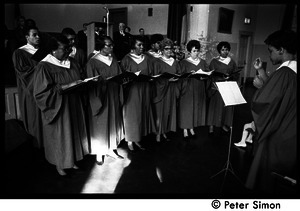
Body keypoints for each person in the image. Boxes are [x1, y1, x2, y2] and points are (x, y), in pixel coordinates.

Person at [245, 30, 297, 193]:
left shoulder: (284, 73)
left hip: (281, 132)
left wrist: (260, 89)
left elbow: (266, 102)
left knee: (270, 181)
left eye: (271, 51)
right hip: (292, 128)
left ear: (281, 50)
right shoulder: (291, 71)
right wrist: (261, 71)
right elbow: (282, 93)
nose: (270, 56)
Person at [33, 35, 89, 176]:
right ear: (53, 51)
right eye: (64, 49)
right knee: (60, 134)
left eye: (69, 48)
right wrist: (65, 86)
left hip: (73, 104)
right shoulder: (44, 66)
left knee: (74, 132)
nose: (68, 51)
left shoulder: (72, 62)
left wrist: (85, 82)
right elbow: (41, 93)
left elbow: (79, 77)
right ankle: (60, 163)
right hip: (58, 107)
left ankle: (71, 160)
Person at [85, 36, 124, 165]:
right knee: (101, 123)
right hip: (101, 96)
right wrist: (100, 83)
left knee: (113, 121)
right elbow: (91, 82)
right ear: (101, 46)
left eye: (112, 45)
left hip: (113, 94)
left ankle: (111, 149)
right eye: (108, 45)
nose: (112, 48)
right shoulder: (93, 62)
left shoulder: (113, 59)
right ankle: (99, 152)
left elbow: (119, 76)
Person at [120, 35, 156, 151]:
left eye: (142, 45)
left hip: (145, 89)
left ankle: (137, 139)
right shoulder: (126, 59)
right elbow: (122, 77)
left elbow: (151, 73)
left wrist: (151, 78)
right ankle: (130, 140)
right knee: (132, 114)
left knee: (141, 113)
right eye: (139, 45)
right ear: (133, 46)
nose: (142, 47)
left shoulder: (147, 58)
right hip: (132, 91)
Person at [12, 25, 44, 148]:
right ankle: (37, 146)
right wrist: (42, 68)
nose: (38, 37)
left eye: (38, 34)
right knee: (34, 119)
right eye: (34, 35)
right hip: (30, 91)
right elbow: (24, 74)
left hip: (45, 90)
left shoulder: (42, 51)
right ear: (27, 37)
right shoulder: (20, 53)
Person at [152, 38, 182, 142]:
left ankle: (164, 131)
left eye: (171, 49)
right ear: (162, 50)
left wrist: (177, 78)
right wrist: (167, 80)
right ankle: (158, 133)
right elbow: (155, 77)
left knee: (168, 111)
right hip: (161, 90)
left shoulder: (175, 62)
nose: (169, 51)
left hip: (172, 89)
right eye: (166, 49)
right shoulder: (157, 62)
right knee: (160, 112)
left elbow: (179, 73)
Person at [178, 40, 209, 139]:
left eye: (197, 51)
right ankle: (185, 129)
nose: (196, 53)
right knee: (187, 108)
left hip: (199, 86)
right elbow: (180, 75)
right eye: (194, 51)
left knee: (195, 108)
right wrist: (188, 75)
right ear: (189, 52)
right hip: (188, 87)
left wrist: (205, 76)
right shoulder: (183, 62)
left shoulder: (203, 62)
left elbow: (207, 74)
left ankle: (191, 127)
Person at [207, 41, 239, 134]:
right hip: (218, 87)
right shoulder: (214, 61)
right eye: (222, 50)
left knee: (226, 107)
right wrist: (215, 83)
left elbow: (236, 74)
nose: (225, 52)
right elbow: (211, 75)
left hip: (228, 86)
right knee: (215, 106)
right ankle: (211, 125)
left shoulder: (232, 62)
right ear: (219, 51)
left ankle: (224, 124)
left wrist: (231, 77)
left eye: (226, 50)